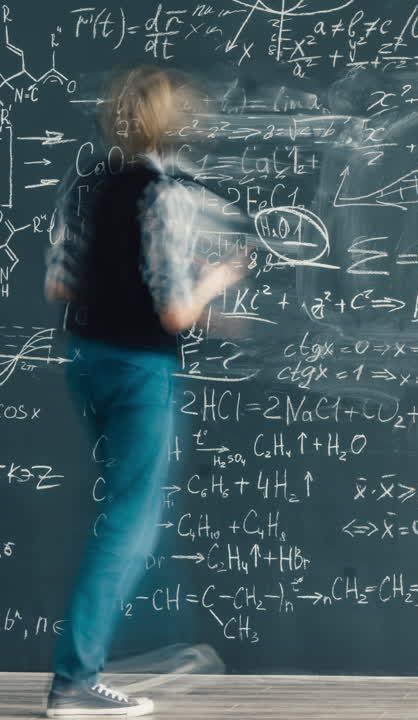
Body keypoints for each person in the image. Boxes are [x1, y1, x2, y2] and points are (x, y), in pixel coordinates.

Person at [42, 65, 245, 717]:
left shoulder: (86, 185)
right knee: (130, 523)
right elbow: (174, 315)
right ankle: (77, 680)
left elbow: (60, 286)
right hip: (138, 369)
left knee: (131, 515)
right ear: (173, 124)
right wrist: (218, 279)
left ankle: (143, 651)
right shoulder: (168, 195)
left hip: (86, 360)